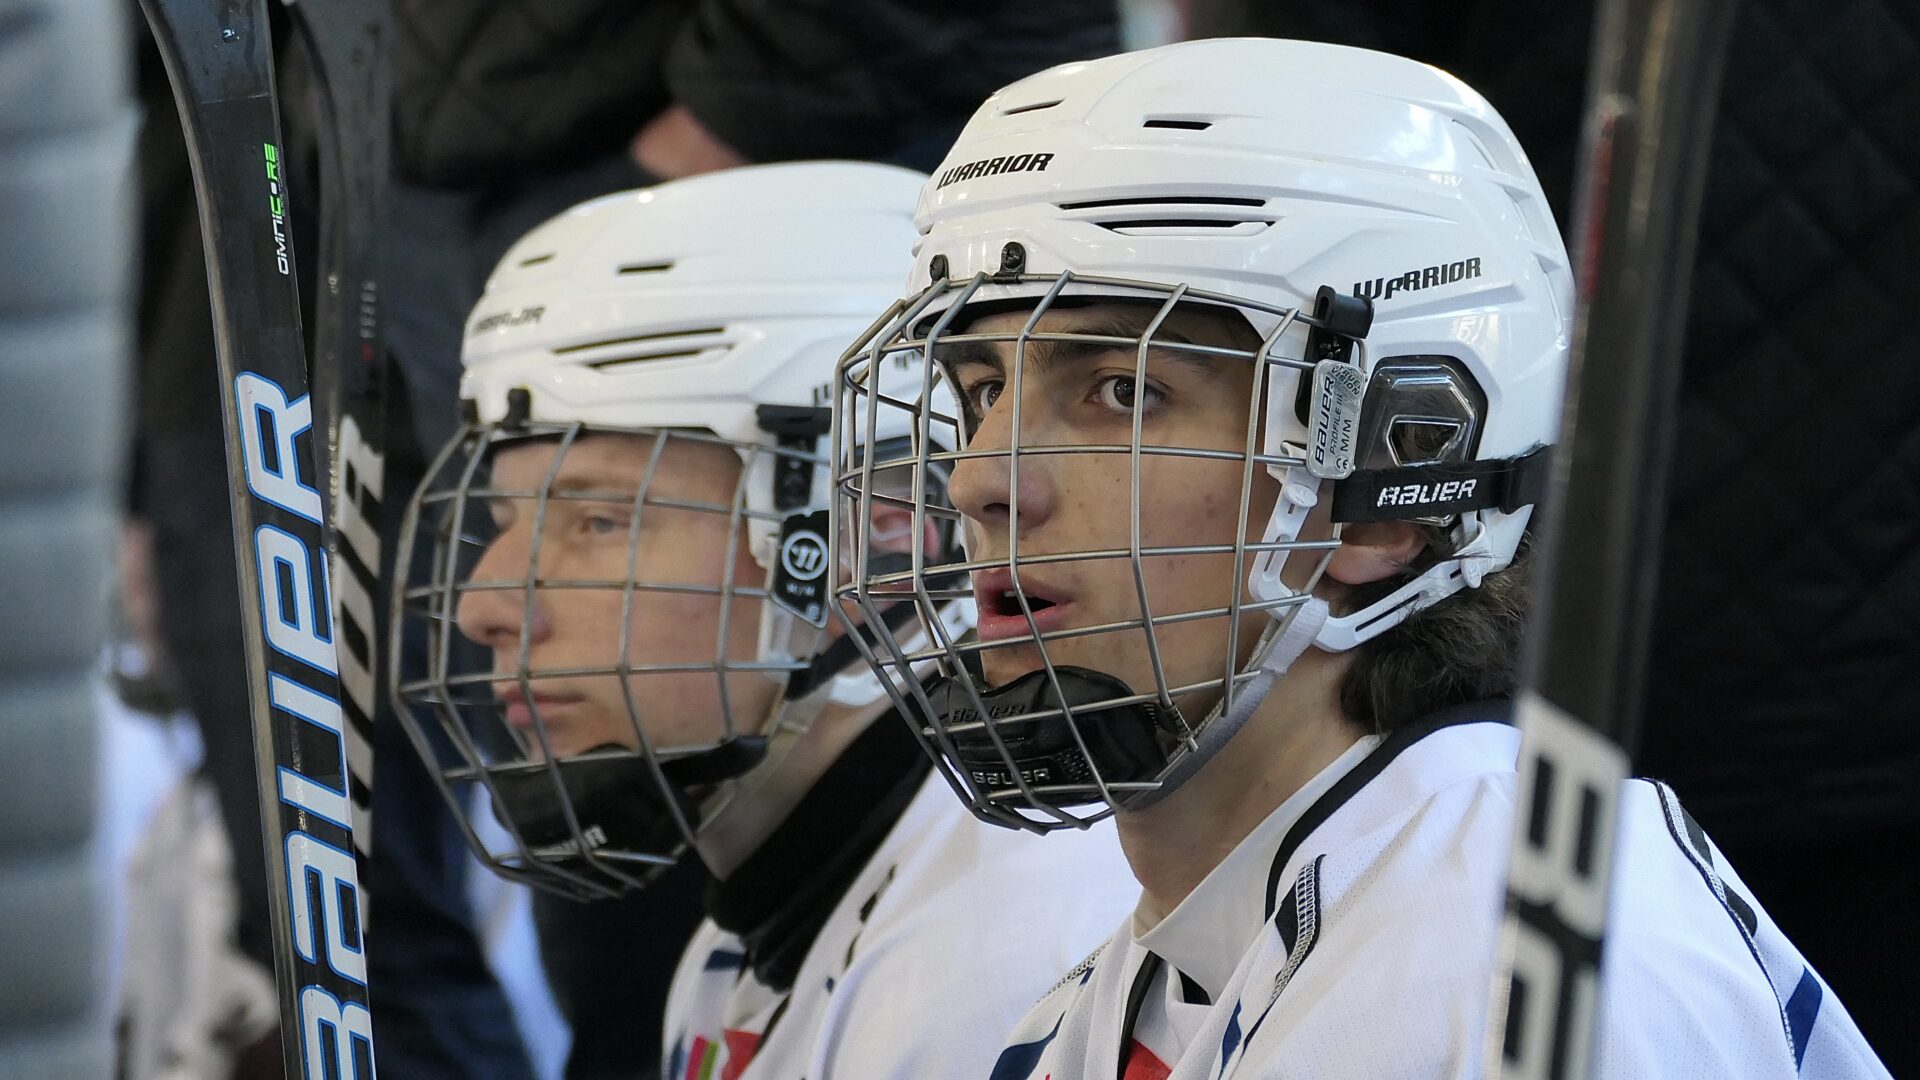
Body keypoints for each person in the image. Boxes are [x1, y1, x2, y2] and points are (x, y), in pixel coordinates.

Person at [832, 39, 1892, 1079]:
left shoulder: (1495, 977)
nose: (978, 481)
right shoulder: (1194, 955)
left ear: (1387, 496)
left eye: (1123, 390)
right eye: (983, 391)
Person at [390, 161, 1135, 1080]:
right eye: (504, 523)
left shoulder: (1001, 962)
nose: (485, 606)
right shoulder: (748, 929)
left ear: (877, 536)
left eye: (599, 522)